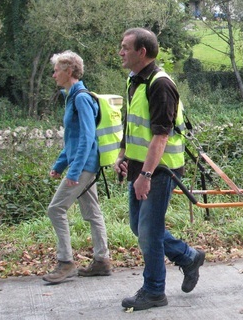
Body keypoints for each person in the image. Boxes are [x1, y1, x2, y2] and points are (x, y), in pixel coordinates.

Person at [115, 27, 205, 311]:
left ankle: (154, 290)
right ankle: (188, 256)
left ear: (142, 52)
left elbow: (161, 135)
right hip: (140, 167)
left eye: (125, 47)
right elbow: (133, 123)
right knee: (138, 226)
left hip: (160, 170)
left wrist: (146, 175)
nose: (121, 52)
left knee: (149, 231)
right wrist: (123, 154)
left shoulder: (160, 84)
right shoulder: (135, 81)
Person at [43, 51, 111, 283]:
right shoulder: (71, 96)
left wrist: (73, 172)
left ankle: (66, 262)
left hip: (84, 166)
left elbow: (87, 138)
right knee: (93, 213)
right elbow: (73, 138)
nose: (53, 75)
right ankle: (102, 261)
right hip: (82, 164)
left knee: (56, 209)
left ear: (69, 71)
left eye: (56, 70)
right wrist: (60, 164)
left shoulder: (81, 97)